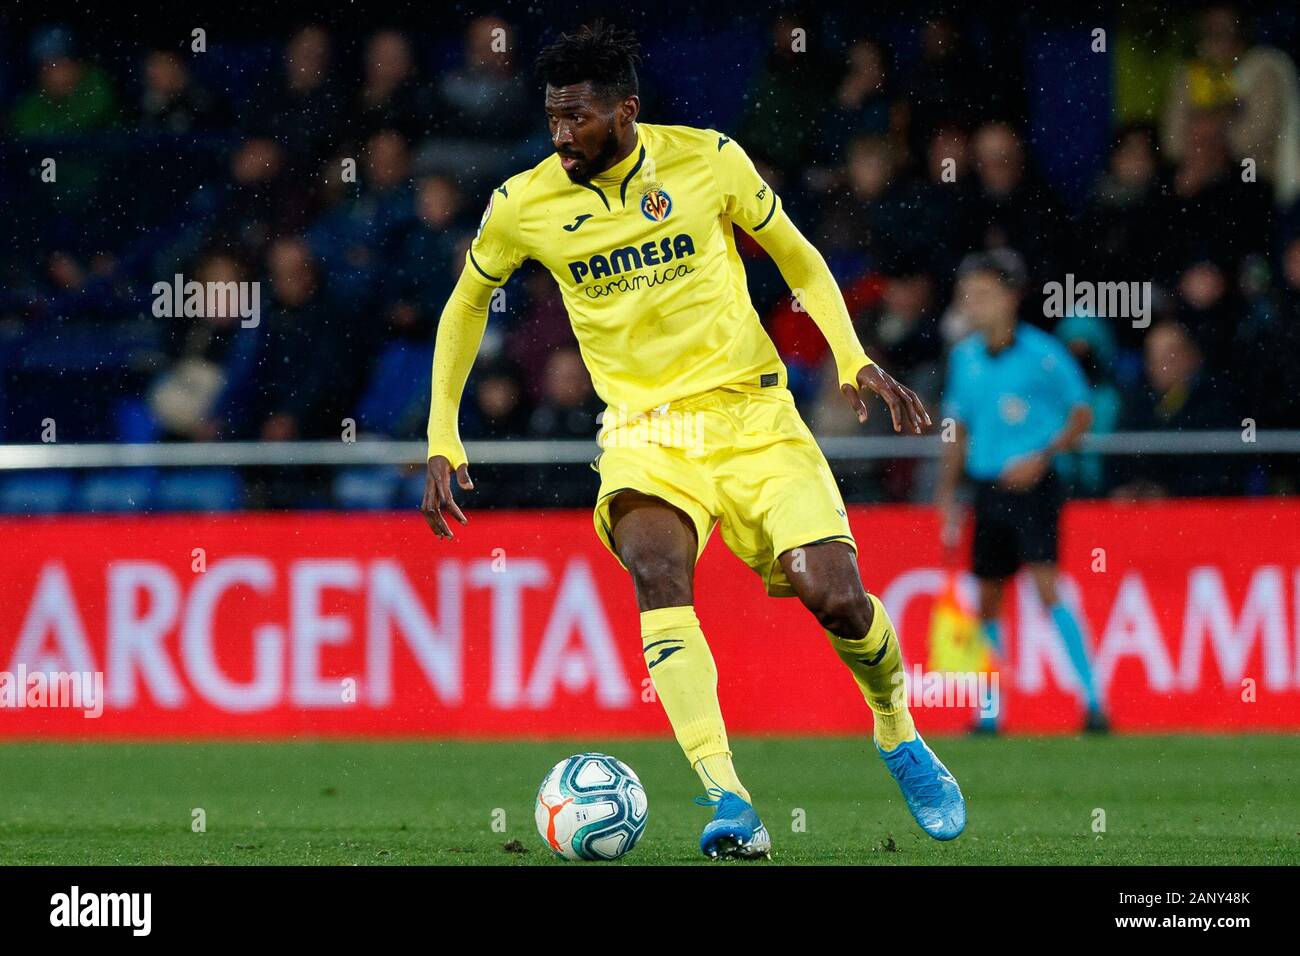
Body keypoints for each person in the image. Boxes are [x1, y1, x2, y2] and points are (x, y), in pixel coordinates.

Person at [421, 22, 962, 859]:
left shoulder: (709, 160)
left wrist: (853, 358)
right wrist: (443, 433)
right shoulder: (524, 203)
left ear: (625, 111)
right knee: (657, 570)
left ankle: (896, 729)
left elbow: (799, 258)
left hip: (754, 416)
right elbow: (465, 303)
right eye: (552, 118)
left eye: (578, 118)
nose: (560, 136)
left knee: (836, 599)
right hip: (645, 430)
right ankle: (728, 797)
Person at [936, 249, 1108, 734]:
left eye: (986, 294)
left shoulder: (1044, 354)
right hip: (986, 486)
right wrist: (947, 494)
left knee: (1045, 585)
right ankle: (991, 710)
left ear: (1012, 298)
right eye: (969, 295)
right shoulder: (964, 358)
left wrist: (1043, 455)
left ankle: (1094, 701)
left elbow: (1082, 414)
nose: (975, 304)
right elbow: (957, 428)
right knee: (988, 596)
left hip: (1036, 487)